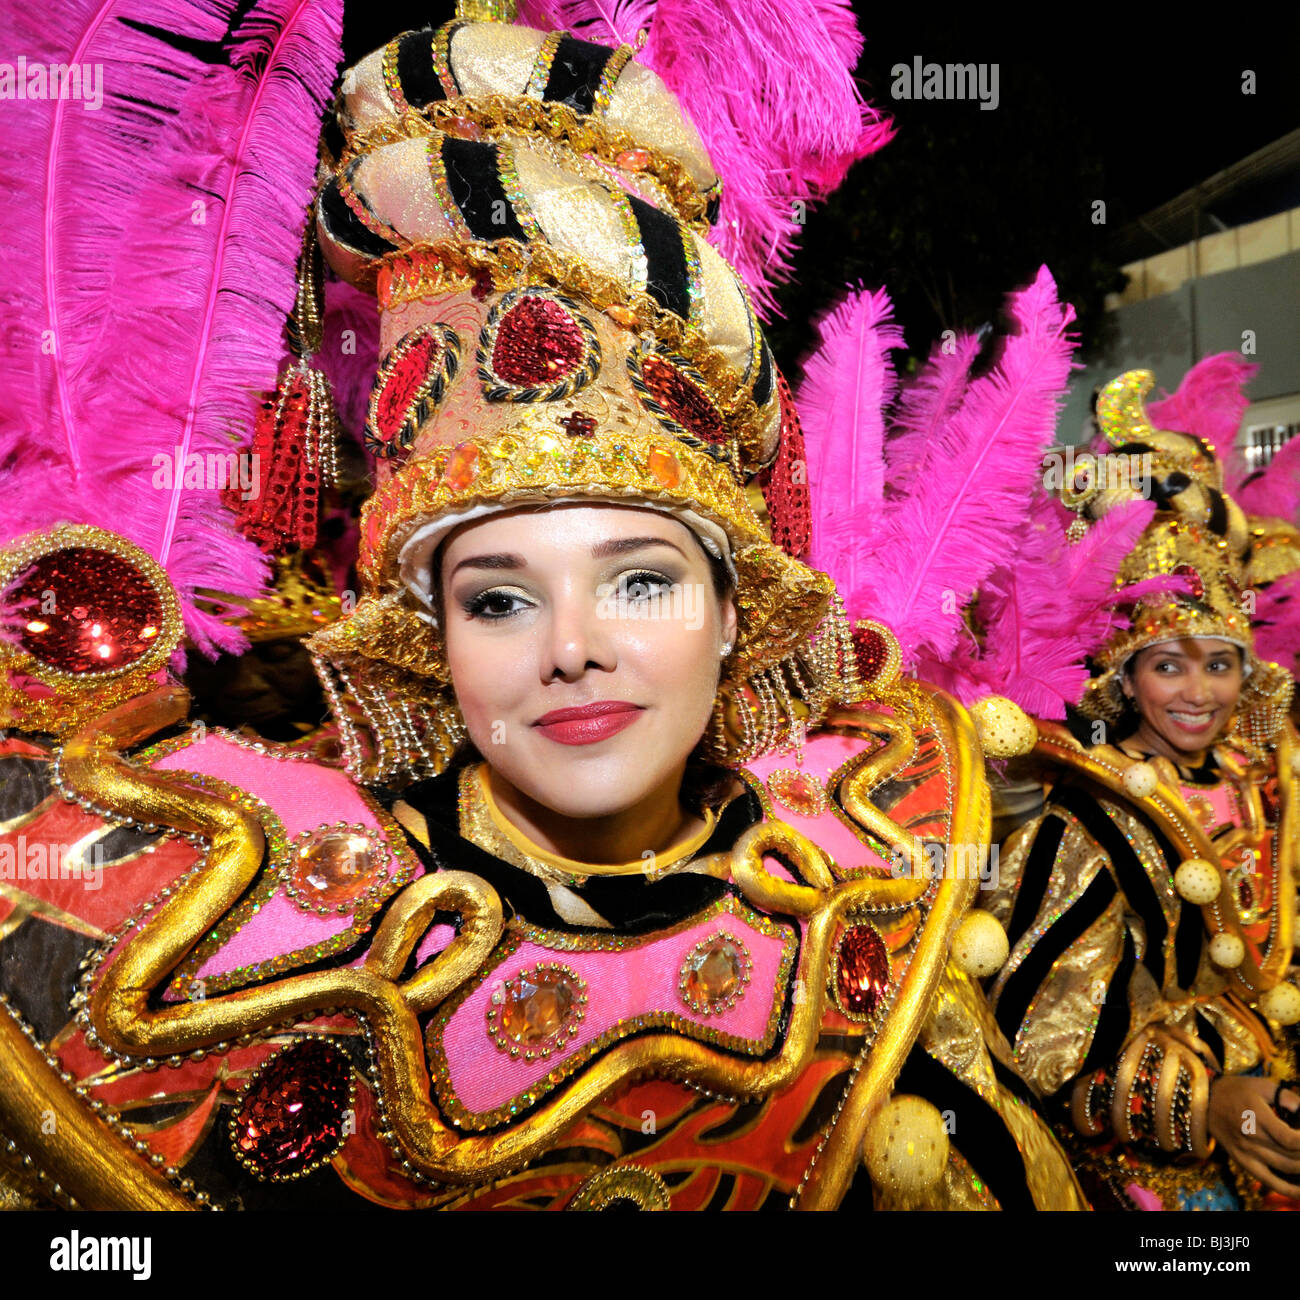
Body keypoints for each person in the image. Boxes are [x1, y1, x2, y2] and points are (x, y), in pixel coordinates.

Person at [0, 3, 1087, 1210]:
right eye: (502, 598)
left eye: (639, 580)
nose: (572, 650)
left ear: (736, 613)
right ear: (431, 636)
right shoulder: (256, 927)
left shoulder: (866, 875)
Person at [980, 366, 1300, 1210]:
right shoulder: (1084, 817)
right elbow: (1043, 1044)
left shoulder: (1263, 783)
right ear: (1124, 679)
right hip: (1163, 1176)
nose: (1199, 693)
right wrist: (1210, 1107)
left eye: (1221, 664)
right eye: (1167, 665)